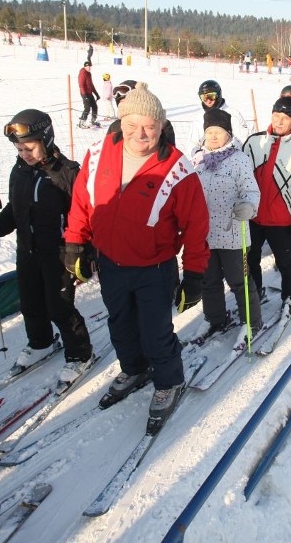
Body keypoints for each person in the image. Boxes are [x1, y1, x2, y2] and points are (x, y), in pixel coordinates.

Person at [64, 82, 210, 420]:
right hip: (110, 263)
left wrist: (195, 275)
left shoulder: (178, 168)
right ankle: (134, 368)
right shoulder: (98, 154)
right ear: (120, 122)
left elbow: (197, 226)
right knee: (120, 325)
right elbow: (82, 202)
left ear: (161, 126)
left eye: (150, 126)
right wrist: (75, 242)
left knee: (155, 330)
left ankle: (169, 381)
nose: (140, 134)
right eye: (132, 125)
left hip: (153, 268)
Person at [0, 109, 95, 385]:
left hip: (58, 252)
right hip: (27, 249)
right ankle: (41, 342)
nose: (24, 154)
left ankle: (80, 354)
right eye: (19, 149)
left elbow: (84, 214)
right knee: (30, 302)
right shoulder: (19, 171)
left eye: (29, 147)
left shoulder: (68, 173)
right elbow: (15, 208)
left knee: (60, 307)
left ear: (46, 139)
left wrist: (81, 251)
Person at [190, 108, 263, 344]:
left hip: (233, 234)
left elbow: (251, 191)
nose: (212, 136)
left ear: (228, 134)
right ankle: (215, 318)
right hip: (205, 235)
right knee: (208, 281)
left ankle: (252, 322)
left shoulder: (239, 159)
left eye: (218, 132)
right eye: (209, 131)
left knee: (239, 281)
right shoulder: (197, 160)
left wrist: (248, 207)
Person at [243, 97, 291, 315]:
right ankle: (255, 293)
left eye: (285, 118)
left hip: (281, 219)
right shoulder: (254, 142)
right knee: (250, 259)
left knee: (286, 262)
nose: (280, 122)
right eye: (276, 116)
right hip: (253, 216)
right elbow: (241, 177)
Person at [188, 79, 252, 156]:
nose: (208, 101)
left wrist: (226, 153)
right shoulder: (199, 118)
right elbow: (192, 143)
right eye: (204, 97)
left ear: (218, 94)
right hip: (205, 160)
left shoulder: (233, 114)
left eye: (211, 96)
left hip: (230, 159)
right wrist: (198, 154)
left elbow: (243, 140)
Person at [106, 79, 177, 143]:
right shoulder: (115, 126)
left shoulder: (161, 125)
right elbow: (108, 150)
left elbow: (169, 152)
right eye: (121, 105)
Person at [77, 60, 100, 128]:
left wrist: (96, 94)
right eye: (88, 66)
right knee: (87, 108)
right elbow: (81, 85)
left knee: (95, 107)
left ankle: (93, 121)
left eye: (90, 66)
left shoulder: (89, 74)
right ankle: (82, 122)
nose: (89, 68)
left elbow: (91, 85)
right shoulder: (83, 73)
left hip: (89, 93)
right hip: (85, 93)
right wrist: (84, 96)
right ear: (85, 67)